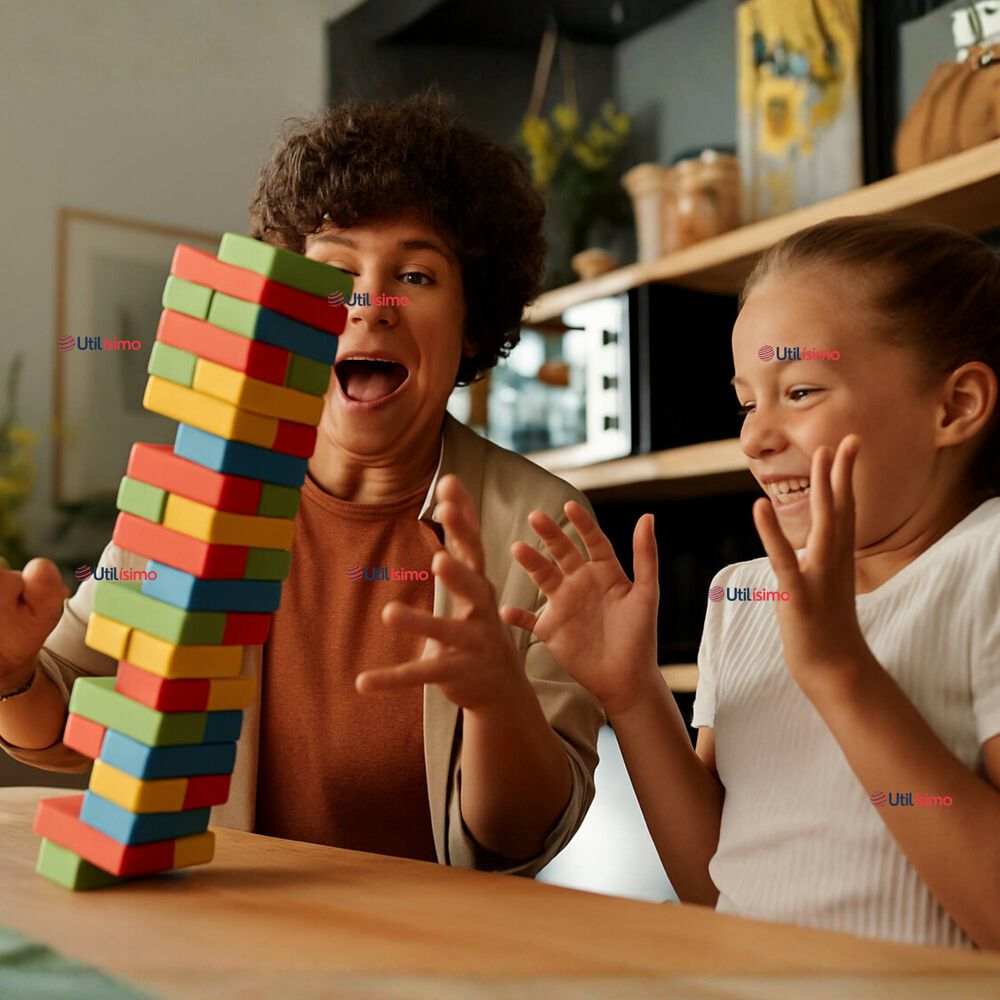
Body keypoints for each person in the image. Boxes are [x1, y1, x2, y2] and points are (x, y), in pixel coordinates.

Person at [0, 93, 603, 875]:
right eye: (336, 272)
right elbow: (71, 712)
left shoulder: (545, 526)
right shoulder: (198, 482)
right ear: (281, 307)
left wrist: (497, 701)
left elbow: (524, 836)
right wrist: (12, 675)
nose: (370, 306)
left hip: (437, 940)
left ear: (472, 324)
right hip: (228, 925)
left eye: (414, 275)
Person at [500, 214, 1000, 945]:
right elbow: (716, 885)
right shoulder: (744, 594)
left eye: (800, 392)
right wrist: (632, 695)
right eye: (747, 402)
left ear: (954, 406)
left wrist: (841, 674)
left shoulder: (986, 567)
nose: (756, 438)